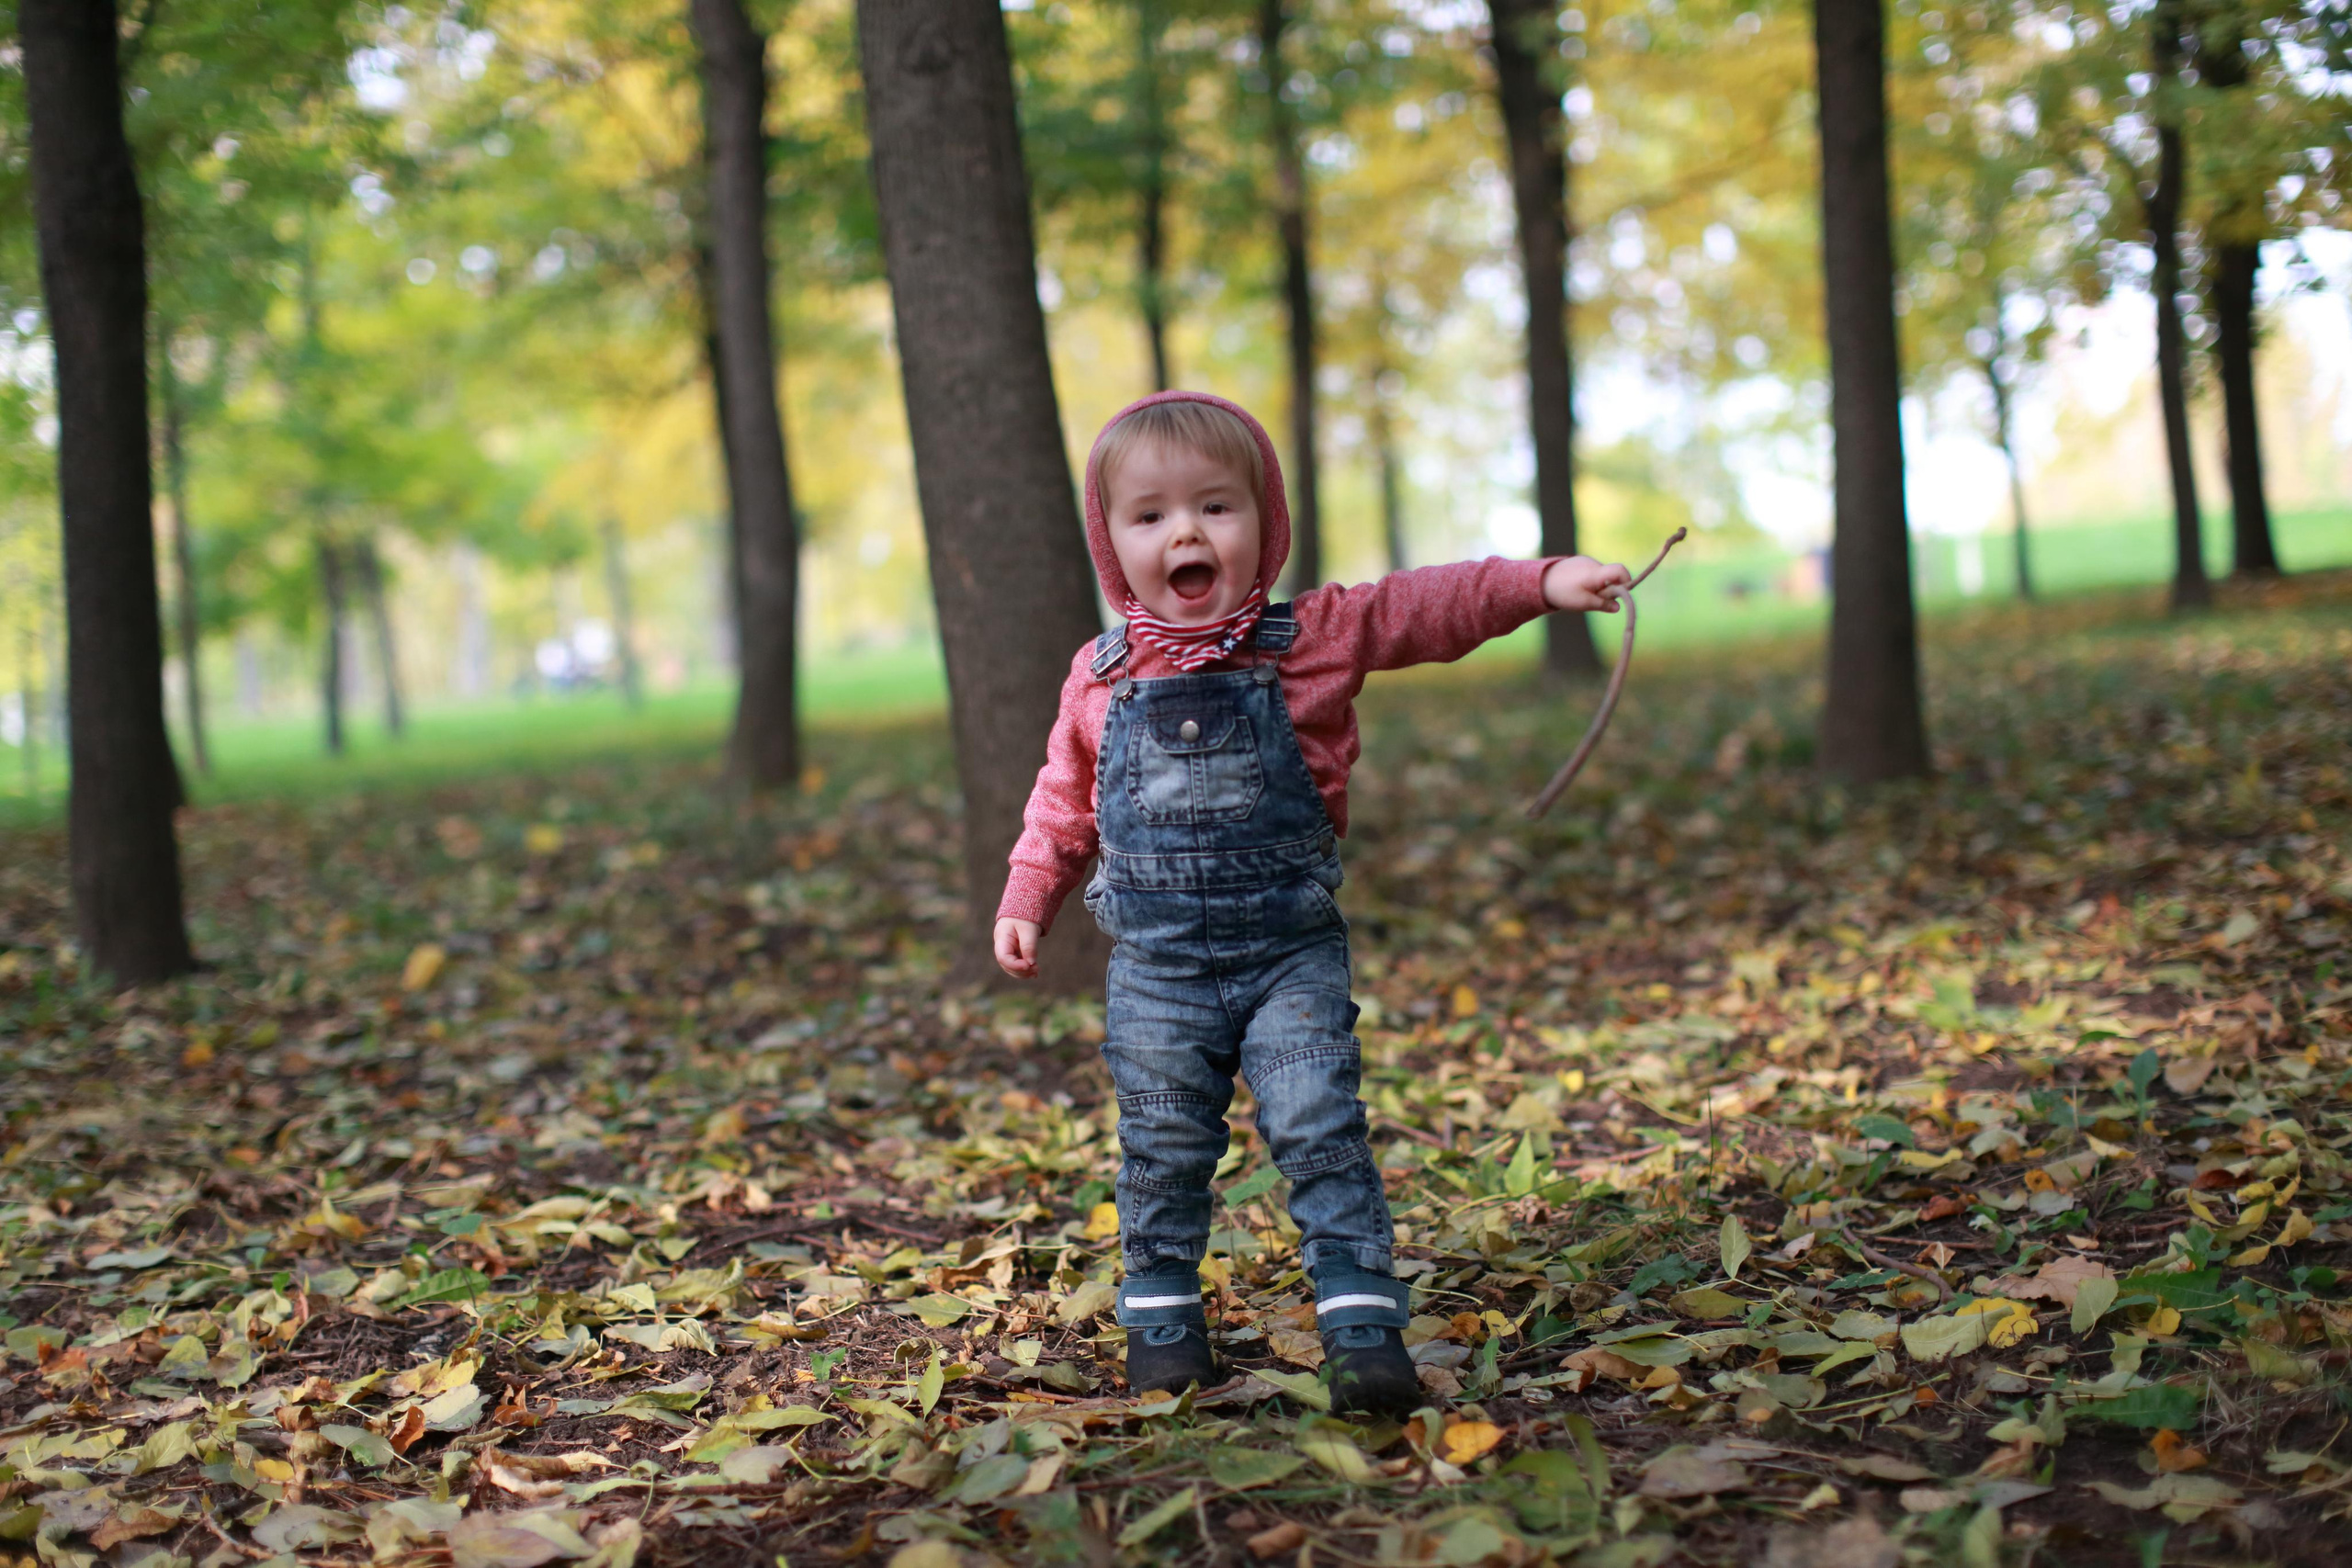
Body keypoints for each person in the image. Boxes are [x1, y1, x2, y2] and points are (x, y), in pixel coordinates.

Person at [992, 391, 1630, 1412]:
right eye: (1150, 516)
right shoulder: (1098, 675)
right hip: (1155, 971)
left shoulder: (1317, 634)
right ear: (1111, 544)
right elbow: (1063, 798)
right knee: (1162, 1138)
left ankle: (1361, 1323)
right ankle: (1161, 1320)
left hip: (1288, 952)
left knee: (1318, 1121)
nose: (1186, 533)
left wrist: (1542, 581)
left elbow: (1434, 604)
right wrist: (1030, 891)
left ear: (1264, 523)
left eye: (1215, 506)